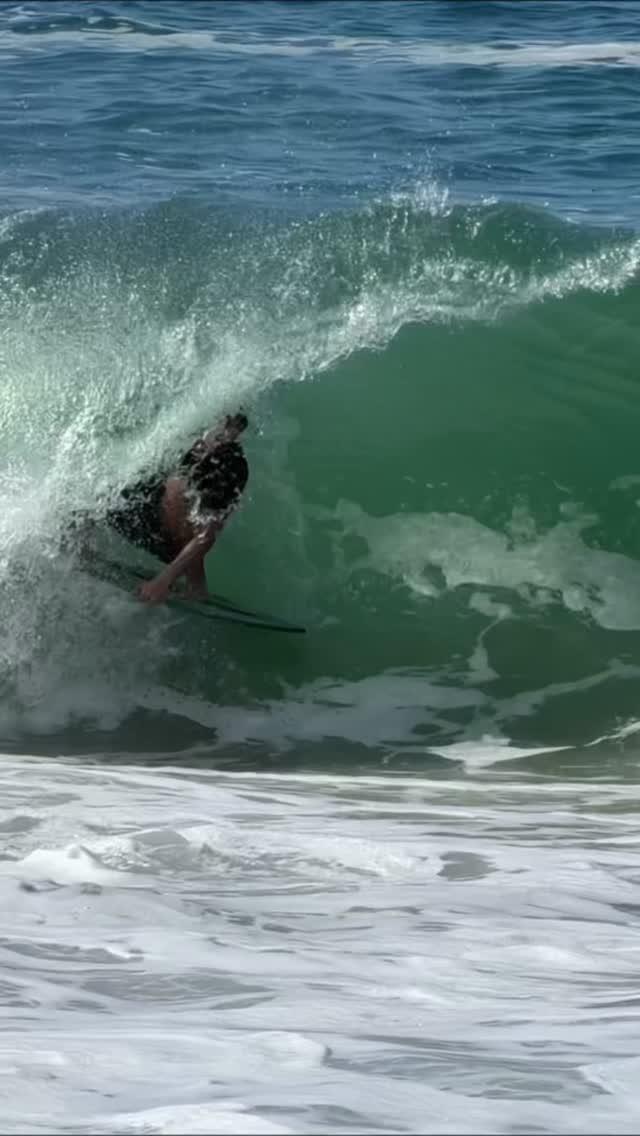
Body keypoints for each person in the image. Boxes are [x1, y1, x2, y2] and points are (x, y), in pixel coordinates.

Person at [106, 412, 249, 604]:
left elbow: (206, 535)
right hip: (150, 515)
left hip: (158, 528)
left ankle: (194, 585)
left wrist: (162, 581)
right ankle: (195, 586)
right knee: (96, 497)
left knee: (196, 527)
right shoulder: (196, 451)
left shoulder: (229, 468)